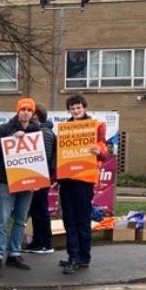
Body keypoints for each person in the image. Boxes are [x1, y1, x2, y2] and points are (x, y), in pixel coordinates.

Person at [0, 98, 47, 272]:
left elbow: (43, 158)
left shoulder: (37, 131)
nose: (26, 112)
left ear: (33, 113)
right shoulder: (4, 129)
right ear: (17, 111)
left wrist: (39, 179)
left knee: (20, 221)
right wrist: (11, 139)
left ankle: (13, 254)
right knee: (2, 220)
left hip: (29, 184)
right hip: (7, 182)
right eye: (23, 109)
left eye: (29, 110)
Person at [59, 94, 108, 275]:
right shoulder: (65, 127)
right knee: (69, 220)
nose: (76, 111)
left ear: (84, 108)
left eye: (78, 107)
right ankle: (73, 256)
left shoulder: (96, 125)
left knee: (82, 220)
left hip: (84, 180)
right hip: (67, 179)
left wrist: (99, 151)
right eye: (72, 108)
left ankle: (83, 257)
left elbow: (103, 148)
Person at [25, 104, 55, 254]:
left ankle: (45, 243)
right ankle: (38, 241)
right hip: (37, 177)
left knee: (40, 209)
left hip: (41, 177)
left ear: (36, 116)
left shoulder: (44, 133)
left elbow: (44, 157)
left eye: (30, 113)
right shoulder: (40, 132)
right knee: (36, 209)